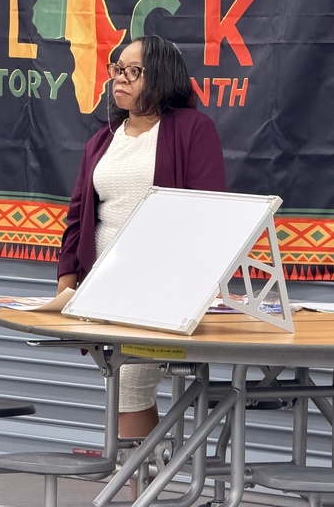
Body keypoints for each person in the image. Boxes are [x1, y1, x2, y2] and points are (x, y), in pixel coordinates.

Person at [56, 35, 226, 441]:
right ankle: (139, 487)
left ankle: (134, 489)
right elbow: (78, 217)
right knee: (120, 387)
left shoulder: (192, 129)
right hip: (104, 289)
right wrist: (67, 287)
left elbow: (211, 216)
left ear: (163, 78)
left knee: (130, 385)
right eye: (117, 69)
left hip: (163, 290)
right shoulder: (103, 139)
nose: (121, 79)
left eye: (134, 71)